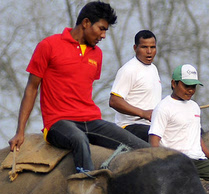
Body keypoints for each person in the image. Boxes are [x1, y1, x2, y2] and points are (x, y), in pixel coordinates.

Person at [8, 2, 147, 174]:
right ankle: (85, 187)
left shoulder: (97, 54)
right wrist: (20, 132)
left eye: (106, 31)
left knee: (142, 147)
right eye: (101, 29)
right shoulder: (48, 45)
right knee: (79, 139)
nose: (103, 35)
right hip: (58, 122)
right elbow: (31, 88)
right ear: (86, 23)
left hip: (92, 120)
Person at [149, 64, 209, 180]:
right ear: (174, 83)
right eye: (186, 86)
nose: (191, 90)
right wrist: (161, 165)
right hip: (176, 161)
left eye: (193, 86)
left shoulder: (195, 107)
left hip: (199, 161)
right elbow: (154, 140)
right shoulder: (163, 107)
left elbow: (196, 137)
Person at [109, 30, 161, 142]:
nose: (149, 51)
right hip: (130, 126)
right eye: (144, 47)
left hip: (151, 125)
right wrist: (143, 113)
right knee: (162, 137)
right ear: (135, 48)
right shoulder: (129, 69)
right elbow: (114, 101)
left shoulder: (154, 69)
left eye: (152, 47)